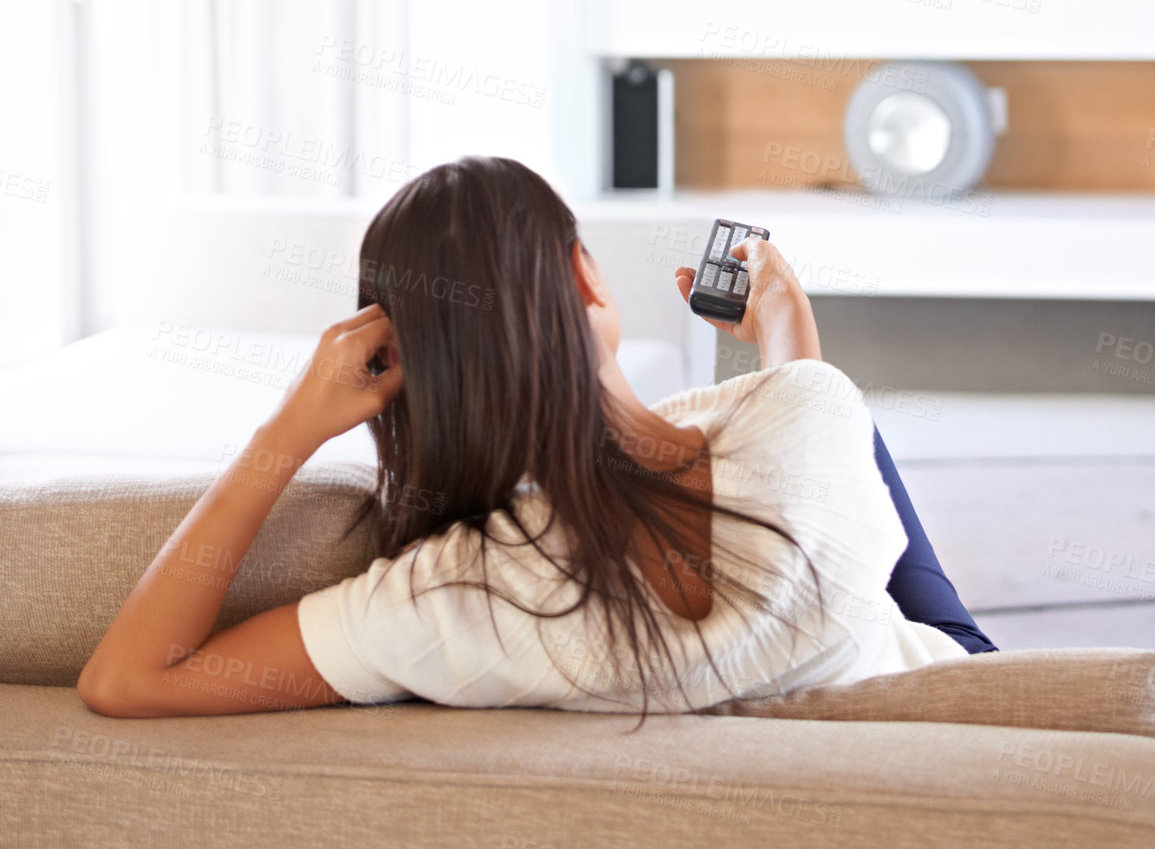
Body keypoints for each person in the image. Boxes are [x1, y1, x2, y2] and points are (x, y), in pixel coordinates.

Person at [77, 156, 994, 721]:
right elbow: (800, 418)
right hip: (949, 691)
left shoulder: (448, 593)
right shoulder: (803, 416)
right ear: (585, 280)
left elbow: (128, 678)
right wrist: (787, 325)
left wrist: (288, 427)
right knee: (840, 416)